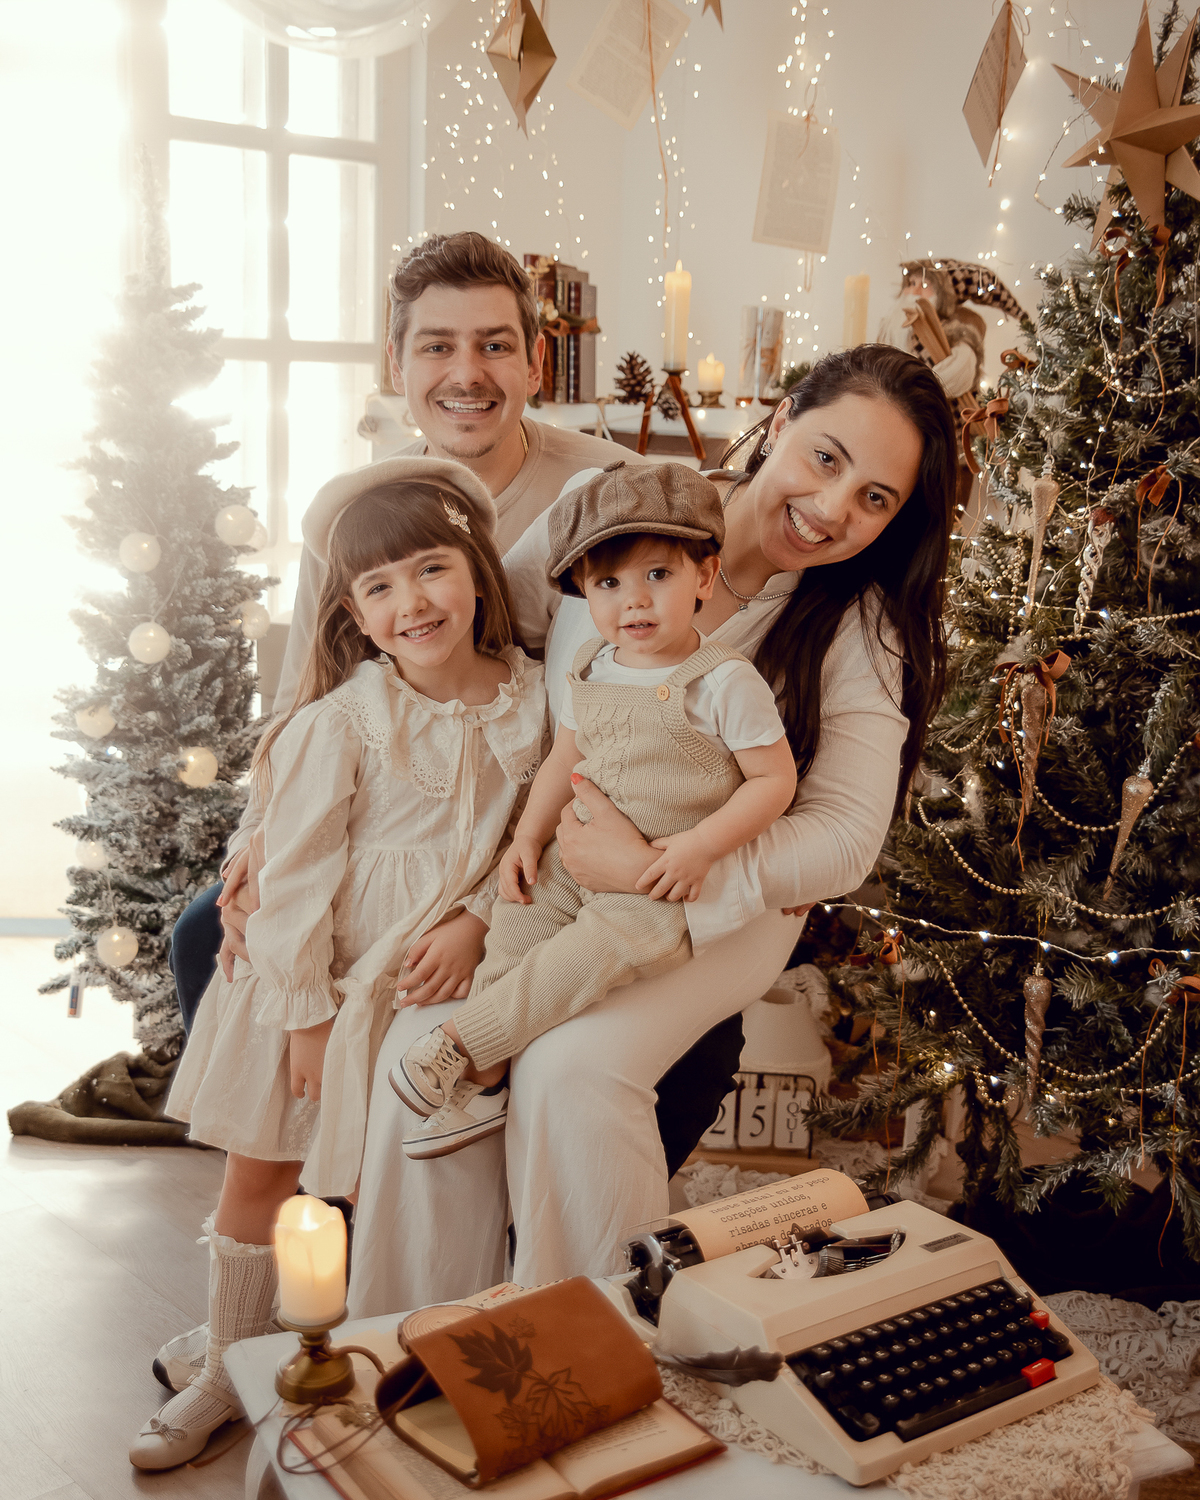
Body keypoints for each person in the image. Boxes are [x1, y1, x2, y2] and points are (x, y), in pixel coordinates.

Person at [347, 342, 956, 1317]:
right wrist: (476, 889)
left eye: (876, 498)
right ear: (781, 420)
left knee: (572, 1069)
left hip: (719, 900)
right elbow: (462, 634)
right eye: (827, 458)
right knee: (421, 1045)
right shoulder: (613, 512)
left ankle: (591, 1348)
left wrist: (662, 867)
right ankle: (417, 1335)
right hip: (560, 860)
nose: (835, 508)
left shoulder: (859, 626)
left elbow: (844, 837)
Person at [168, 231, 740, 1188]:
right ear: (396, 364)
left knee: (665, 1005)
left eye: (493, 345)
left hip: (533, 820)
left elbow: (663, 653)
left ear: (535, 362)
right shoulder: (363, 513)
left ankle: (548, 1211)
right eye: (437, 346)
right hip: (390, 817)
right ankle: (322, 1191)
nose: (466, 373)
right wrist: (251, 854)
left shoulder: (603, 490)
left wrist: (489, 906)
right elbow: (304, 698)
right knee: (207, 935)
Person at [130, 458, 547, 1470]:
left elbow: (534, 840)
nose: (414, 603)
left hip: (410, 984)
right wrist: (307, 1016)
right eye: (381, 587)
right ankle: (224, 1368)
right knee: (263, 1175)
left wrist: (480, 920)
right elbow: (298, 878)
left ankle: (333, 1353)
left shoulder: (537, 704)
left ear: (478, 573)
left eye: (432, 569)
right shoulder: (347, 719)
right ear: (356, 615)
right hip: (307, 980)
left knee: (354, 1186)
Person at [394, 461, 797, 1157]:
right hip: (574, 855)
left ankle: (463, 1043)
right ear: (584, 589)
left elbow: (774, 782)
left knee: (589, 954)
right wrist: (527, 838)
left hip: (655, 885)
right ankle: (487, 1082)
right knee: (515, 923)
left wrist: (700, 847)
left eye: (658, 575)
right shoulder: (592, 664)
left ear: (705, 577)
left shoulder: (723, 682)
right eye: (609, 583)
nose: (634, 600)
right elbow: (567, 756)